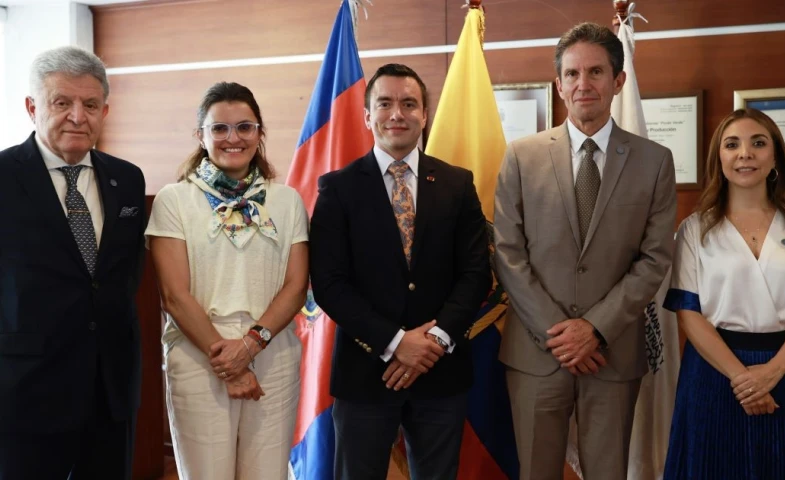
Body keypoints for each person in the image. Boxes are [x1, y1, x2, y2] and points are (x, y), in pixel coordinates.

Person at [493, 22, 677, 480]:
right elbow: (508, 253)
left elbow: (655, 258)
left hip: (611, 354)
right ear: (558, 84)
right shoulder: (521, 156)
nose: (583, 84)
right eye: (572, 74)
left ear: (618, 81)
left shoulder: (654, 161)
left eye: (596, 72)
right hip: (536, 354)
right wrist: (561, 333)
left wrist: (595, 329)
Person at [309, 63, 491, 480]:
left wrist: (433, 341)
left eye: (409, 104)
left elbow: (476, 273)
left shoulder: (457, 184)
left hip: (440, 369)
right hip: (365, 372)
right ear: (367, 115)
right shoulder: (337, 188)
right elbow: (330, 284)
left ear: (424, 114)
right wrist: (395, 342)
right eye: (385, 103)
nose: (397, 114)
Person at [146, 82, 309, 480]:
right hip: (200, 354)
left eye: (245, 127)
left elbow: (296, 285)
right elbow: (174, 295)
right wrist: (232, 365)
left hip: (273, 354)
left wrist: (251, 345)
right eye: (219, 128)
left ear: (260, 133)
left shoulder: (286, 200)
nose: (232, 138)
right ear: (201, 136)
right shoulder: (174, 199)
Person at [0, 46, 146, 479]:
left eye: (90, 104)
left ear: (106, 109)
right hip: (24, 391)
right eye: (62, 103)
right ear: (32, 107)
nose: (77, 117)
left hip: (111, 389)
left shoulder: (128, 178)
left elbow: (124, 275)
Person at [663, 108, 785, 479]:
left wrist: (773, 371)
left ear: (775, 157)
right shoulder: (694, 229)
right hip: (714, 374)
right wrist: (744, 379)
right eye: (732, 144)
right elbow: (689, 314)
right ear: (719, 158)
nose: (745, 153)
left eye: (758, 143)